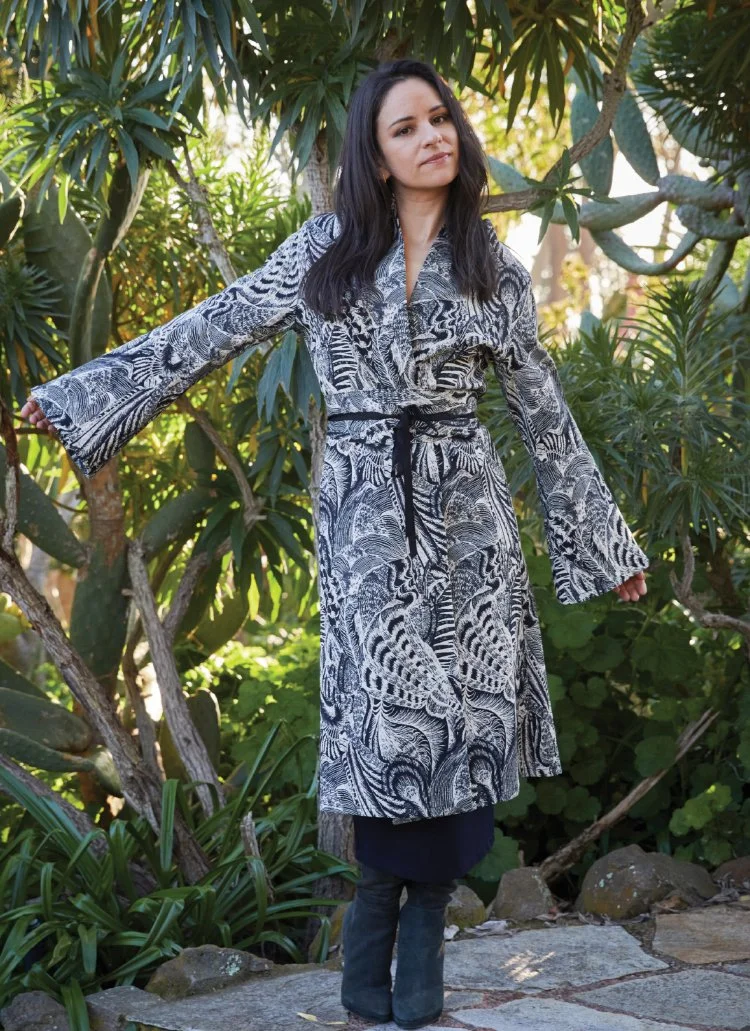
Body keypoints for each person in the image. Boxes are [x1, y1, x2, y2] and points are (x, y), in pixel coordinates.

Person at [21, 56, 648, 1031]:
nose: (432, 136)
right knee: (388, 730)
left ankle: (420, 942)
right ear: (375, 151)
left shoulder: (491, 263)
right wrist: (76, 401)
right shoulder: (327, 251)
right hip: (366, 521)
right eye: (406, 126)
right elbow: (212, 328)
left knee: (463, 730)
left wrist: (607, 547)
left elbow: (542, 409)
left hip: (469, 523)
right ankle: (371, 941)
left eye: (439, 118)